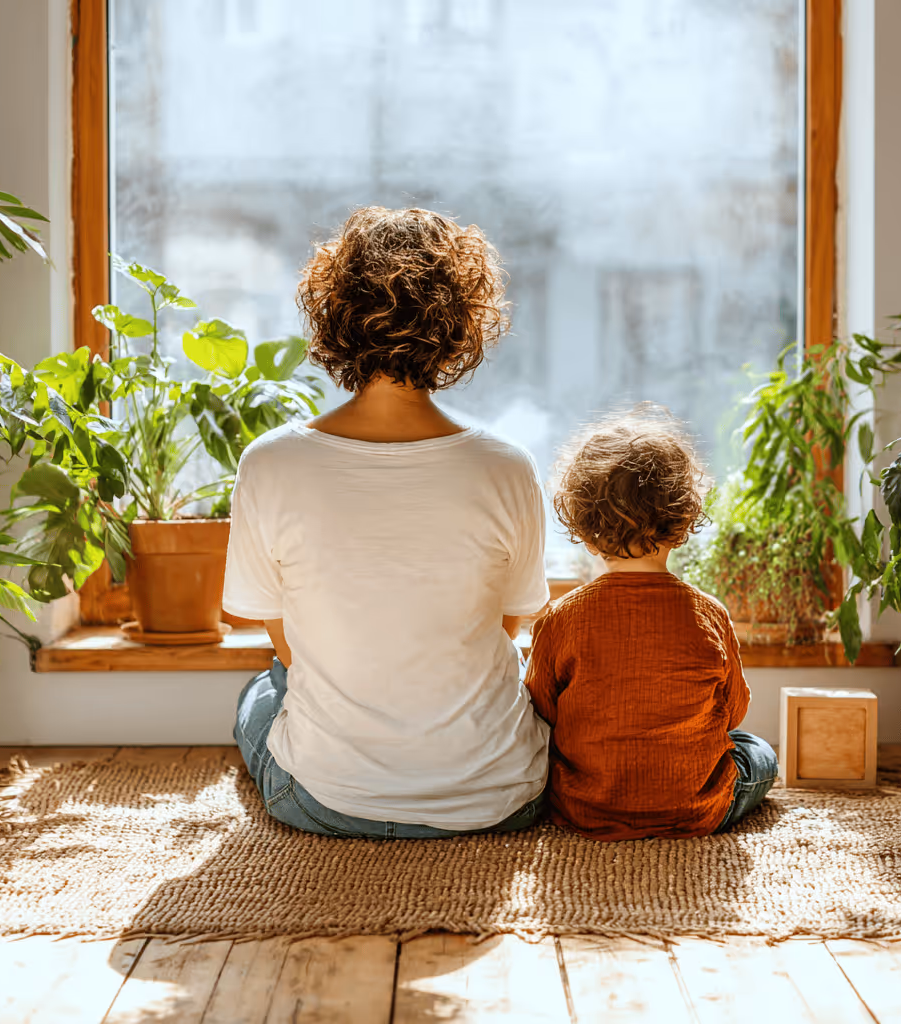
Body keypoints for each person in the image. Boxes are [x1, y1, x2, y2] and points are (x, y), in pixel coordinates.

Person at [224, 206, 550, 838]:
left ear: (333, 316)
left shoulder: (269, 463)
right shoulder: (508, 468)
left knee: (261, 696)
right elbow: (508, 626)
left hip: (325, 800)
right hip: (501, 797)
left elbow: (286, 643)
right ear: (461, 325)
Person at [524, 406, 778, 841]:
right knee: (757, 752)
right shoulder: (709, 615)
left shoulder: (561, 618)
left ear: (584, 532)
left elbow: (542, 709)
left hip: (586, 806)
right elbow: (733, 711)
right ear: (682, 527)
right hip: (695, 808)